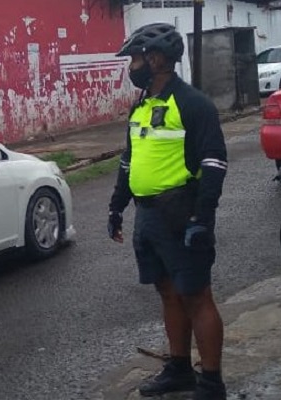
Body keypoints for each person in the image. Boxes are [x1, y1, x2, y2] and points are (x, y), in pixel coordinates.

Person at [107, 23, 228, 400]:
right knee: (168, 292)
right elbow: (130, 161)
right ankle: (179, 369)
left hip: (181, 214)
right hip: (148, 217)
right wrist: (116, 207)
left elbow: (214, 162)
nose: (132, 67)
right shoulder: (141, 105)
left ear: (157, 59)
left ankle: (211, 383)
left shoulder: (193, 104)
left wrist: (203, 219)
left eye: (137, 59)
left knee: (196, 296)